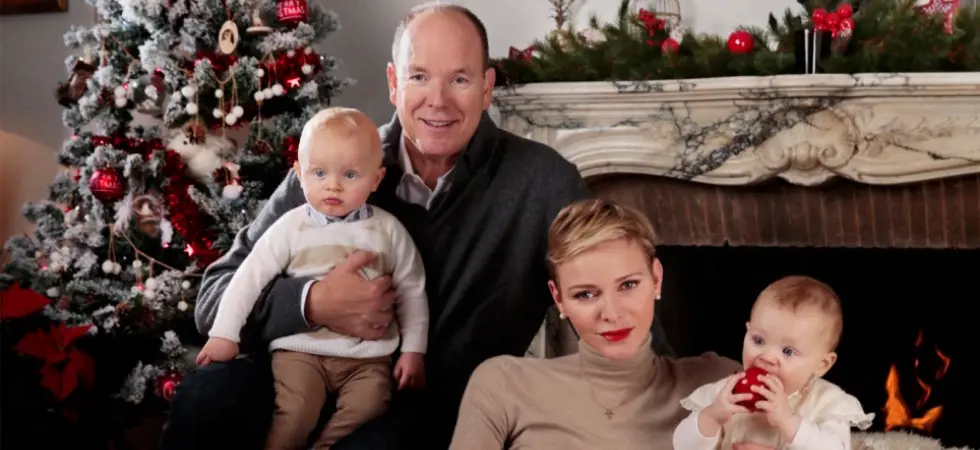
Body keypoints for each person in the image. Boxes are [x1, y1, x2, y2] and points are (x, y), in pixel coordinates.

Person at [159, 4, 674, 449]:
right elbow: (214, 298)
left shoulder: (541, 182)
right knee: (209, 396)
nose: (438, 101)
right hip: (291, 374)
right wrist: (310, 302)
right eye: (420, 76)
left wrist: (685, 397)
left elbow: (618, 282)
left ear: (488, 87)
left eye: (460, 78)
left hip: (429, 404)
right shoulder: (335, 164)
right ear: (393, 83)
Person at [195, 107, 429, 449]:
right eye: (319, 173)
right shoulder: (290, 227)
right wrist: (225, 335)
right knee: (295, 412)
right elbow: (247, 279)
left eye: (350, 175)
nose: (332, 185)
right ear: (299, 174)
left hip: (367, 359)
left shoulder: (387, 230)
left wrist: (413, 351)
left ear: (375, 179)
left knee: (370, 405)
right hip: (300, 352)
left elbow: (412, 289)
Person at [449, 199, 740, 449]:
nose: (611, 314)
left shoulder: (720, 383)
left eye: (628, 285)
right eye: (585, 294)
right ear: (559, 298)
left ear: (656, 279)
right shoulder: (503, 384)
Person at [672, 276, 874, 450]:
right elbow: (681, 445)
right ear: (747, 331)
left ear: (822, 364)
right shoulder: (726, 394)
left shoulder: (825, 403)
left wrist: (789, 421)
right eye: (758, 340)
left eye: (788, 351)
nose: (767, 357)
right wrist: (712, 416)